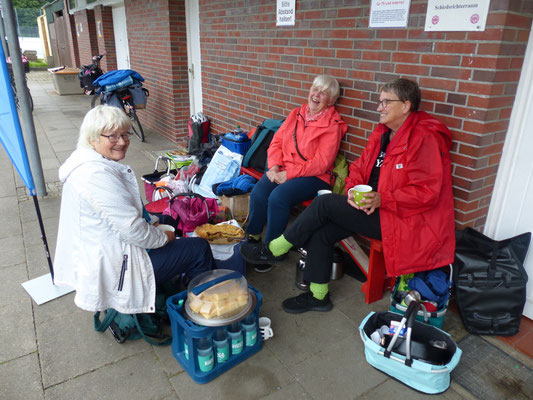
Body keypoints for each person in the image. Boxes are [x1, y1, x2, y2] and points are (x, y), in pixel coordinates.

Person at [241, 78, 455, 313]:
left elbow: (428, 192)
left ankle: (274, 249)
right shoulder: (382, 134)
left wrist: (384, 199)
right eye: (379, 102)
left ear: (405, 105)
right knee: (321, 232)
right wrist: (353, 190)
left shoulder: (424, 138)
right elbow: (358, 169)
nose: (379, 108)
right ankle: (318, 296)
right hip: (370, 208)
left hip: (398, 218)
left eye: (385, 102)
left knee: (324, 204)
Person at [54, 105, 216, 314]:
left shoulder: (85, 162)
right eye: (112, 136)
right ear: (93, 138)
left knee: (169, 218)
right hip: (117, 267)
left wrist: (156, 224)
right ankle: (203, 311)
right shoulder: (96, 176)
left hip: (104, 254)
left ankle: (177, 283)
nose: (122, 142)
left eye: (125, 134)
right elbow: (133, 231)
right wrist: (165, 237)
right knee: (199, 248)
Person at [241, 74, 348, 272]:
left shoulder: (333, 126)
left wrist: (288, 175)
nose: (316, 95)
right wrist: (273, 166)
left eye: (324, 93)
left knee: (278, 197)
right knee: (259, 192)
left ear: (331, 101)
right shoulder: (296, 114)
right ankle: (253, 236)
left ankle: (273, 251)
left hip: (315, 177)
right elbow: (277, 142)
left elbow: (322, 163)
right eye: (315, 89)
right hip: (283, 169)